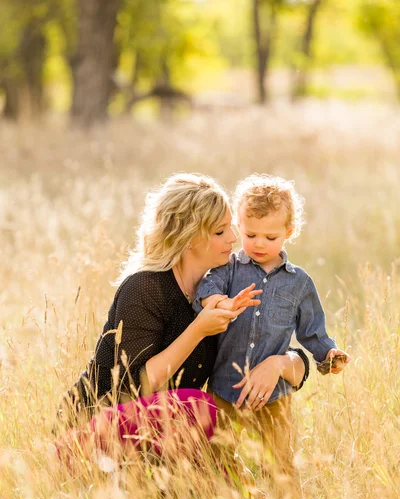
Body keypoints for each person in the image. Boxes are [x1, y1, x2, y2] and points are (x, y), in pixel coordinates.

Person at [57, 173, 309, 462]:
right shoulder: (144, 288)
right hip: (86, 438)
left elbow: (266, 345)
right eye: (219, 231)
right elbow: (137, 386)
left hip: (158, 442)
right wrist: (198, 330)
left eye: (230, 227)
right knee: (197, 407)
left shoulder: (224, 289)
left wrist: (279, 363)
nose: (233, 238)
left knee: (226, 432)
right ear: (190, 237)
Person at [194, 173, 350, 477]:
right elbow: (206, 287)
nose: (259, 244)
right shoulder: (228, 269)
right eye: (251, 235)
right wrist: (221, 302)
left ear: (288, 232)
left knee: (279, 466)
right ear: (239, 226)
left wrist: (329, 354)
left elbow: (312, 331)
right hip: (225, 388)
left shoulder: (299, 283)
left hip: (273, 396)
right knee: (216, 460)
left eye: (270, 237)